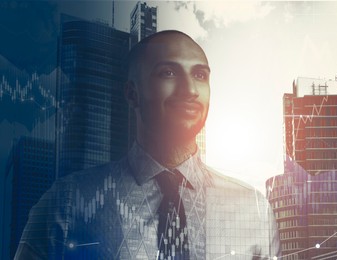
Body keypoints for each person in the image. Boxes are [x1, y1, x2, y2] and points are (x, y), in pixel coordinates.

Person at [15, 30, 280, 259]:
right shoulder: (68, 202)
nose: (189, 89)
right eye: (168, 72)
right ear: (132, 93)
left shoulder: (253, 210)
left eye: (199, 75)